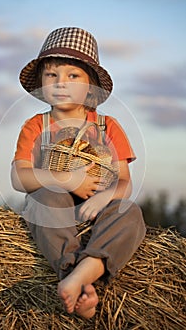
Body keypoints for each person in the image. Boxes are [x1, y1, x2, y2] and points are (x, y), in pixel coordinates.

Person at [11, 27, 146, 319]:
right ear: (41, 83)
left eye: (73, 76)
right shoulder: (36, 126)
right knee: (43, 199)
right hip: (53, 210)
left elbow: (124, 180)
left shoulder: (108, 126)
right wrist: (63, 179)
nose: (61, 83)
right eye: (52, 75)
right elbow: (19, 177)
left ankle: (86, 272)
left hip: (97, 207)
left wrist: (104, 198)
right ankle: (73, 276)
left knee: (129, 212)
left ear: (90, 86)